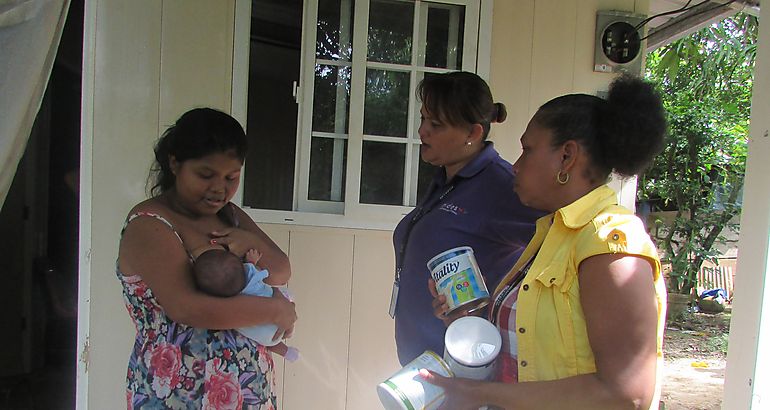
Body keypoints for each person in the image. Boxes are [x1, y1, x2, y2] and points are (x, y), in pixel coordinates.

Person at [422, 74, 668, 410]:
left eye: (527, 150)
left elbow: (627, 393)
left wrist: (478, 394)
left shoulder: (611, 245)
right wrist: (462, 322)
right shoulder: (552, 233)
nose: (517, 165)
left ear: (567, 157)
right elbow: (527, 349)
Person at [117, 107, 297, 409]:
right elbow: (188, 308)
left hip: (247, 387)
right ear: (175, 163)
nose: (219, 188)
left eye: (231, 177)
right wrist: (274, 310)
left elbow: (280, 271)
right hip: (178, 392)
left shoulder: (230, 216)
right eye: (205, 174)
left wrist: (250, 241)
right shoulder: (149, 224)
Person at [392, 71, 542, 365]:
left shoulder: (502, 184)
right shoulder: (445, 178)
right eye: (423, 119)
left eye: (435, 124)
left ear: (473, 134)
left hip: (464, 363)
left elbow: (557, 246)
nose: (423, 131)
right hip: (421, 357)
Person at [190, 246, 300, 362]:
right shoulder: (250, 273)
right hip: (281, 314)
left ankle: (286, 351)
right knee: (275, 292)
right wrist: (251, 261)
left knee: (266, 341)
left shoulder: (222, 302)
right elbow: (256, 269)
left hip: (267, 337)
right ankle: (288, 351)